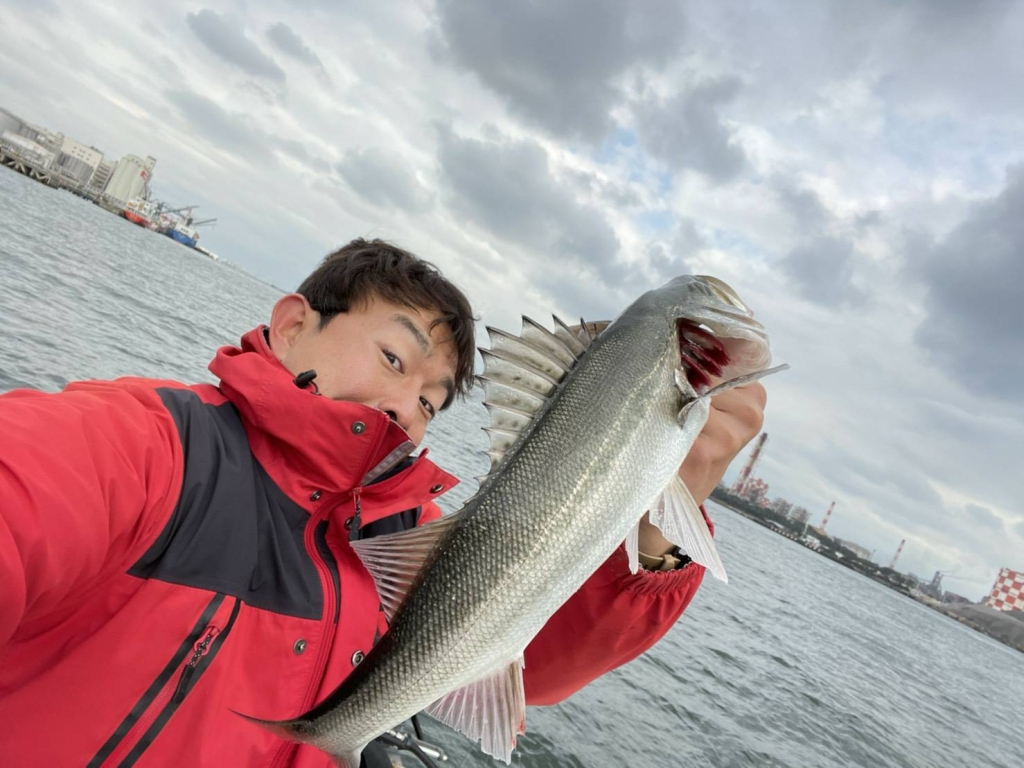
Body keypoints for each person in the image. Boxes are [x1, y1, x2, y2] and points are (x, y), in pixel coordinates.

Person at [0, 239, 767, 766]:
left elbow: (535, 653)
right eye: (394, 358)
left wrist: (659, 529)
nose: (405, 405)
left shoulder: (405, 532)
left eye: (433, 400)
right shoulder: (149, 443)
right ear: (294, 324)